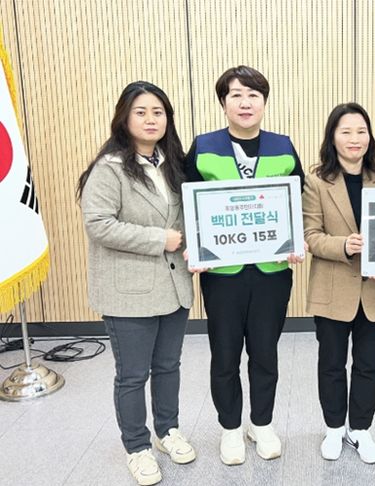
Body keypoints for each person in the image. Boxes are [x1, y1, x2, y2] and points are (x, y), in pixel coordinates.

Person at [183, 65, 305, 465]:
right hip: (223, 274)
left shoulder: (283, 146)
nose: (245, 102)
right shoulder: (203, 147)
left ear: (264, 102)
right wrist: (194, 244)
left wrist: (296, 239)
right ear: (223, 102)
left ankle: (262, 423)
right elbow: (186, 203)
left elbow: (298, 201)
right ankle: (231, 428)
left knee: (265, 352)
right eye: (236, 94)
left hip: (272, 272)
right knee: (225, 354)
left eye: (253, 94)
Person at [77, 81, 196, 486]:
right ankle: (137, 447)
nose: (150, 119)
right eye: (141, 112)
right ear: (124, 118)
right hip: (128, 292)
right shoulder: (109, 168)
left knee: (168, 366)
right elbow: (98, 224)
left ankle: (167, 430)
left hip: (174, 287)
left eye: (158, 112)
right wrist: (158, 240)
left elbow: (186, 219)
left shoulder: (173, 164)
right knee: (132, 375)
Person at [303, 103, 375, 464]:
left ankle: (359, 429)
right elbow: (311, 235)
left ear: (370, 137)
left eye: (361, 131)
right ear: (333, 137)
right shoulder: (317, 181)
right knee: (331, 364)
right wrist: (344, 245)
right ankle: (333, 428)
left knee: (368, 364)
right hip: (332, 288)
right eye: (345, 131)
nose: (354, 139)